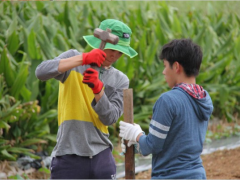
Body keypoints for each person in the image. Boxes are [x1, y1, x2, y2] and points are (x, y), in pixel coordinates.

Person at [35, 19, 138, 179]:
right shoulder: (73, 60)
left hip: (101, 156)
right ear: (99, 42)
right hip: (67, 155)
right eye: (113, 49)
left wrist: (98, 90)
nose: (115, 55)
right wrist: (83, 59)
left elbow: (110, 118)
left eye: (120, 52)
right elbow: (41, 72)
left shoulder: (120, 79)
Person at [119, 39, 214, 179]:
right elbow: (175, 143)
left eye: (165, 66)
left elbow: (153, 146)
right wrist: (136, 146)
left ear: (176, 66)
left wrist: (136, 134)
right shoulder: (203, 98)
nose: (164, 72)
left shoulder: (168, 100)